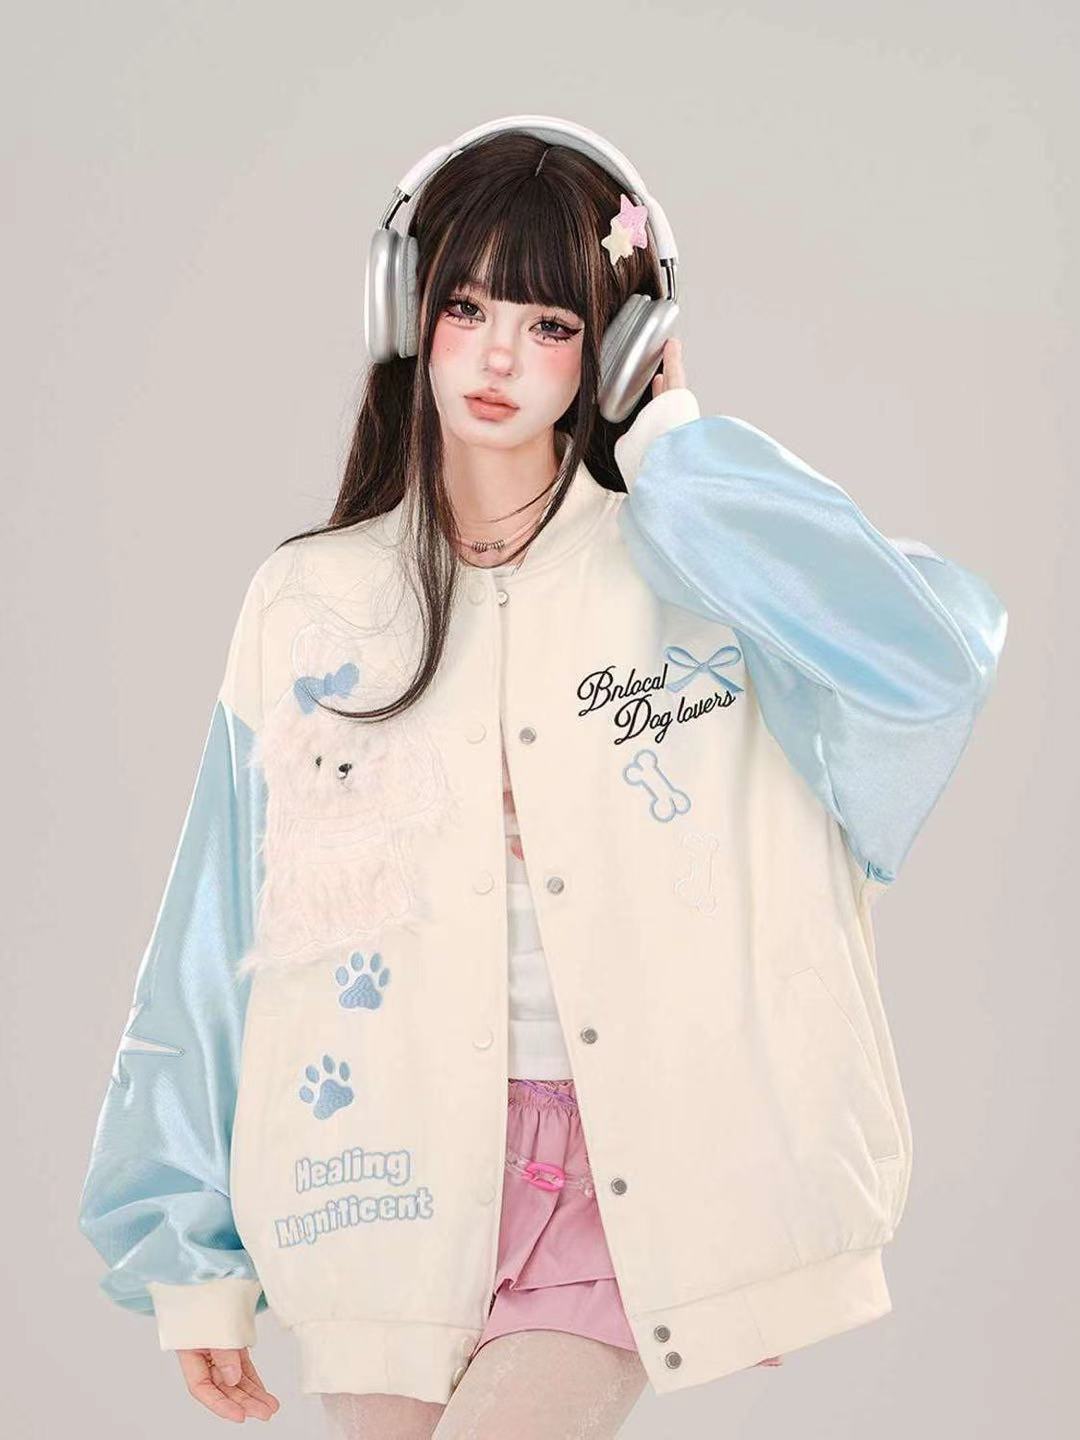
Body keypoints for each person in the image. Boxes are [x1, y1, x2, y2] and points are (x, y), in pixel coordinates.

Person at [78, 117, 1008, 1437]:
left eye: (553, 324)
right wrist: (190, 1256)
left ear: (617, 347)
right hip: (372, 1172)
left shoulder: (696, 577)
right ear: (407, 312)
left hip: (624, 1175)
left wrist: (680, 449)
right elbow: (213, 934)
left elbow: (921, 669)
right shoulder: (310, 603)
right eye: (466, 307)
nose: (500, 355)